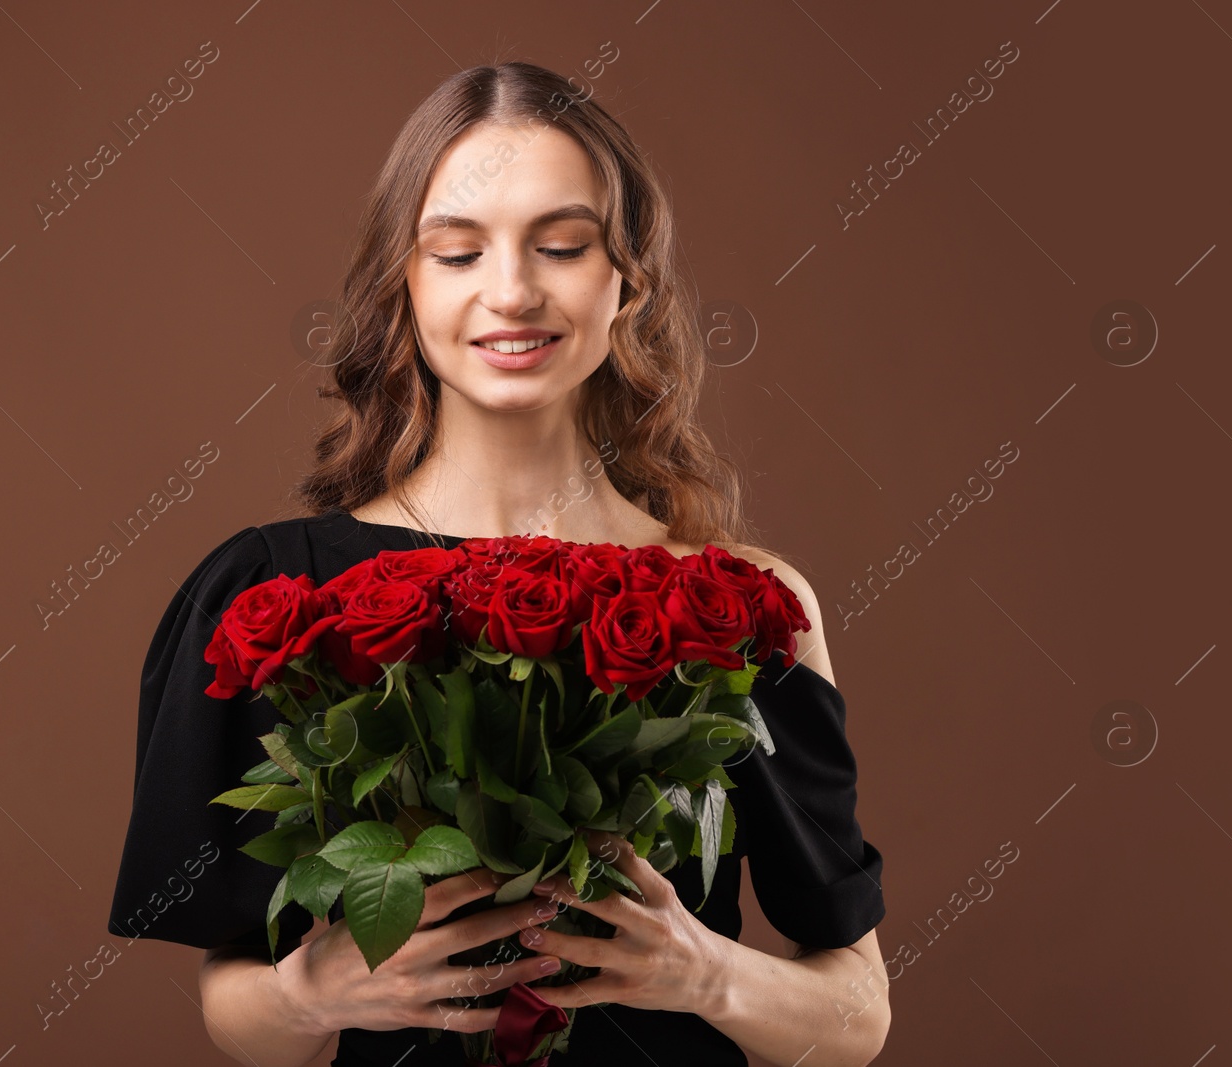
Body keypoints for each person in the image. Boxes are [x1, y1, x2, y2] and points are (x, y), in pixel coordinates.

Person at [107, 61, 888, 1066]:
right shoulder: (275, 591)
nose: (512, 291)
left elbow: (857, 1013)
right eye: (458, 252)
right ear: (405, 282)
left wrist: (704, 970)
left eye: (561, 246)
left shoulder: (741, 604)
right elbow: (243, 1013)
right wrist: (312, 991)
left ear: (626, 281)